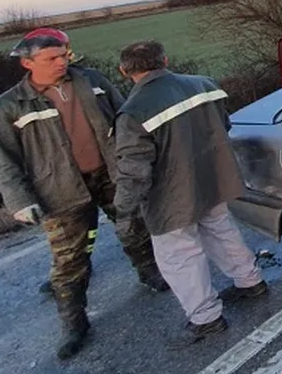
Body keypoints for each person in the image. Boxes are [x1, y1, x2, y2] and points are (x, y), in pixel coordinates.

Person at [0, 28, 166, 360]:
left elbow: (125, 117)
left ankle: (150, 272)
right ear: (28, 63)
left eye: (65, 55)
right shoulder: (9, 106)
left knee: (134, 227)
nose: (63, 62)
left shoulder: (91, 80)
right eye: (52, 58)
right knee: (69, 259)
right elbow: (4, 161)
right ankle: (74, 323)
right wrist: (20, 201)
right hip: (58, 190)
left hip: (110, 174)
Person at [112, 41, 267, 349]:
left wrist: (123, 211)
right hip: (214, 177)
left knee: (180, 255)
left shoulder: (133, 112)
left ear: (124, 71)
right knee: (222, 231)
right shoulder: (204, 85)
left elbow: (135, 171)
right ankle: (251, 282)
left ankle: (206, 318)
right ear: (165, 60)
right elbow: (224, 124)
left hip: (171, 196)